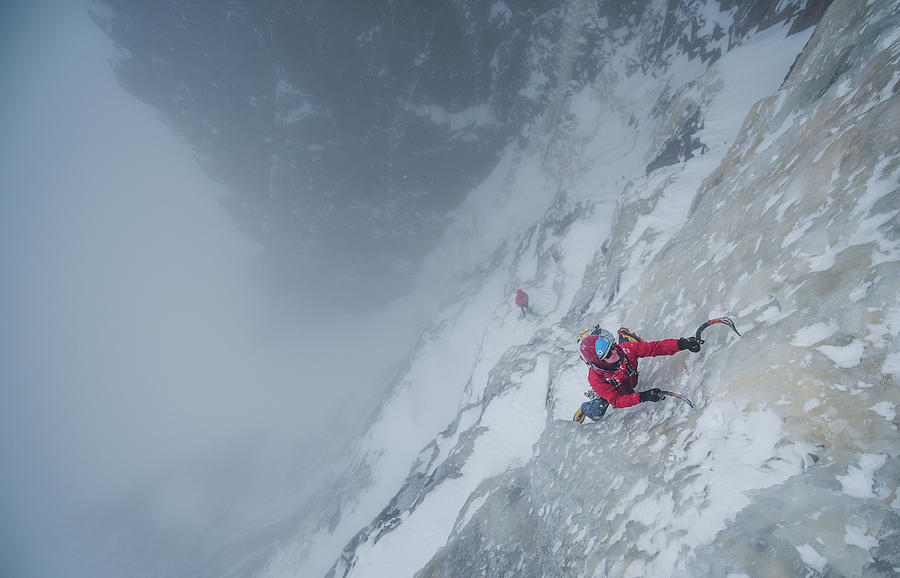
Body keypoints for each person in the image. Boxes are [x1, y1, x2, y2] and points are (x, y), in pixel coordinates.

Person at [573, 326, 702, 423]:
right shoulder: (596, 378)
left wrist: (681, 344)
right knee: (597, 413)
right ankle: (584, 408)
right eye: (608, 354)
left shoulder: (625, 350)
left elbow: (655, 348)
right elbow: (616, 401)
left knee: (635, 346)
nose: (614, 352)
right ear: (599, 361)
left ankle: (623, 335)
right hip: (611, 392)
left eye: (612, 346)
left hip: (629, 380)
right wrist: (644, 396)